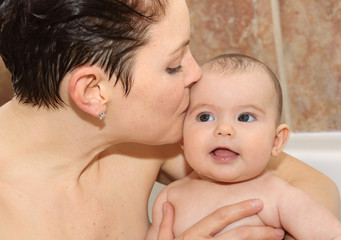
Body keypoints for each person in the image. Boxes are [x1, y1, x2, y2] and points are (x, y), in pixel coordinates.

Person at [0, 0, 339, 239]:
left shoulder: (145, 137)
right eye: (174, 65)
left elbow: (314, 185)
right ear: (93, 91)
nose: (196, 73)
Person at [148, 54, 341, 239]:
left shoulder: (278, 195)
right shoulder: (169, 199)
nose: (224, 129)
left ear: (276, 141)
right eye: (205, 117)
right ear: (182, 138)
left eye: (244, 117)